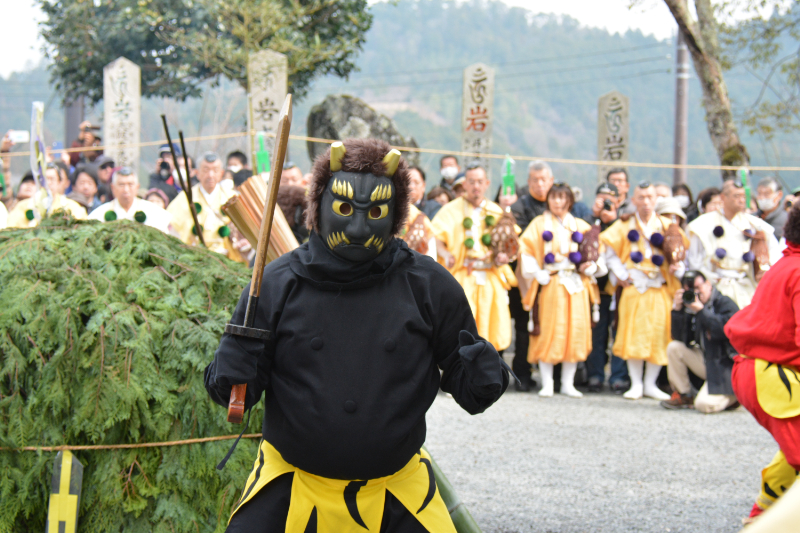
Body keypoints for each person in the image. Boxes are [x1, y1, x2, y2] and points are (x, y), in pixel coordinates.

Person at [205, 139, 508, 532]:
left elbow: (470, 393)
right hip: (294, 486)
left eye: (376, 211)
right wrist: (232, 369)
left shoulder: (429, 285)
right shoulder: (276, 284)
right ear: (319, 206)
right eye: (345, 208)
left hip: (397, 489)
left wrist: (485, 372)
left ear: (397, 213)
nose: (359, 227)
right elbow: (236, 402)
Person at [724, 204, 800, 524]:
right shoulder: (796, 270)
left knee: (793, 452)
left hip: (764, 370)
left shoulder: (789, 264)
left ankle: (762, 517)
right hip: (769, 372)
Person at [600, 182, 688, 400]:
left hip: (659, 286)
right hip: (634, 286)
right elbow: (609, 252)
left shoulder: (668, 226)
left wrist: (678, 268)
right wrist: (621, 275)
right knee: (633, 334)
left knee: (659, 334)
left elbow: (681, 254)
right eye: (641, 197)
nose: (646, 202)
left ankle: (650, 383)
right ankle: (636, 383)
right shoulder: (625, 224)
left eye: (650, 197)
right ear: (634, 200)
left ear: (655, 200)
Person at [519, 182, 606, 398]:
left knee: (574, 330)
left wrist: (592, 266)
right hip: (552, 283)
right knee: (548, 330)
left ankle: (568, 382)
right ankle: (547, 382)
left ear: (569, 200)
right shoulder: (538, 224)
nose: (557, 202)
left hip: (576, 284)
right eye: (554, 197)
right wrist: (537, 271)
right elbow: (525, 251)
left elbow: (598, 253)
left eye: (562, 197)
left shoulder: (580, 226)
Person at [431, 164, 518, 353]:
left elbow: (511, 244)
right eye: (471, 182)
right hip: (463, 275)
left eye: (480, 182)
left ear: (487, 183)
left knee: (494, 325)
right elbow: (435, 236)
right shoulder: (450, 210)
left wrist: (503, 255)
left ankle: (493, 370)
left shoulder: (496, 211)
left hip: (490, 275)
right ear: (464, 184)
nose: (476, 186)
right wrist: (445, 253)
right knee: (462, 326)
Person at [687, 179, 781, 309]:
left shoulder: (755, 225)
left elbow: (774, 256)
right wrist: (706, 283)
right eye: (736, 196)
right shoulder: (702, 224)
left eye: (743, 196)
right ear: (723, 197)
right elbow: (694, 261)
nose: (741, 200)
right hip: (715, 288)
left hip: (746, 288)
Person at [661, 270, 739, 412]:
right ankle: (684, 395)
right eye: (690, 290)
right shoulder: (692, 307)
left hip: (725, 368)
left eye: (698, 288)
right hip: (707, 362)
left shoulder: (725, 304)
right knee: (674, 347)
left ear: (708, 284)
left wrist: (701, 311)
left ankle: (736, 395)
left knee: (703, 405)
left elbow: (726, 331)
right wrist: (678, 311)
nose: (695, 293)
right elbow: (679, 338)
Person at [506, 161, 553, 390]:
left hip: (552, 278)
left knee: (552, 324)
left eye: (544, 179)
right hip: (524, 278)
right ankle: (521, 373)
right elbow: (522, 239)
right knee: (524, 327)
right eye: (535, 180)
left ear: (551, 181)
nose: (540, 184)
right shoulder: (520, 206)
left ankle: (552, 376)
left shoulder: (558, 204)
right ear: (528, 182)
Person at [584, 182, 631, 393]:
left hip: (619, 288)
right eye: (601, 199)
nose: (605, 204)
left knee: (619, 331)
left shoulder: (623, 222)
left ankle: (618, 376)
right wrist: (594, 217)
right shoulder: (587, 220)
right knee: (596, 333)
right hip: (595, 288)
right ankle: (594, 374)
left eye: (609, 199)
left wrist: (611, 221)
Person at [167, 152, 244, 261]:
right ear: (197, 173)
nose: (211, 175)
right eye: (206, 170)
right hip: (195, 258)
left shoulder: (232, 198)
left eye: (215, 170)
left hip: (227, 259)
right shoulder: (184, 199)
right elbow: (174, 231)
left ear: (221, 173)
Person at [88, 167, 172, 233]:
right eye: (121, 185)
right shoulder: (99, 214)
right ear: (113, 188)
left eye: (130, 184)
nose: (126, 190)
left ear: (137, 187)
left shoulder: (155, 212)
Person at [7, 164, 87, 227]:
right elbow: (10, 229)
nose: (48, 183)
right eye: (44, 179)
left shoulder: (72, 207)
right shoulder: (23, 206)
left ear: (59, 183)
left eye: (52, 179)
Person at [756, 176, 788, 240]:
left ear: (779, 195)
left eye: (766, 194)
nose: (762, 198)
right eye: (759, 193)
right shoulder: (753, 218)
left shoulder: (787, 220)